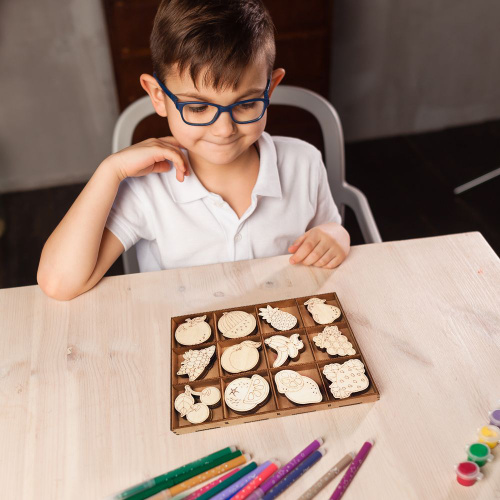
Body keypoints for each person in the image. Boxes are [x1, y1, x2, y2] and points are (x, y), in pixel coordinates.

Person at [37, 0, 350, 301]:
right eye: (198, 107)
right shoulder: (147, 188)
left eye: (246, 104)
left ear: (270, 89)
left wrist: (338, 237)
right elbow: (59, 282)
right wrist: (110, 171)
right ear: (158, 96)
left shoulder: (303, 163)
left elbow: (328, 229)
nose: (223, 129)